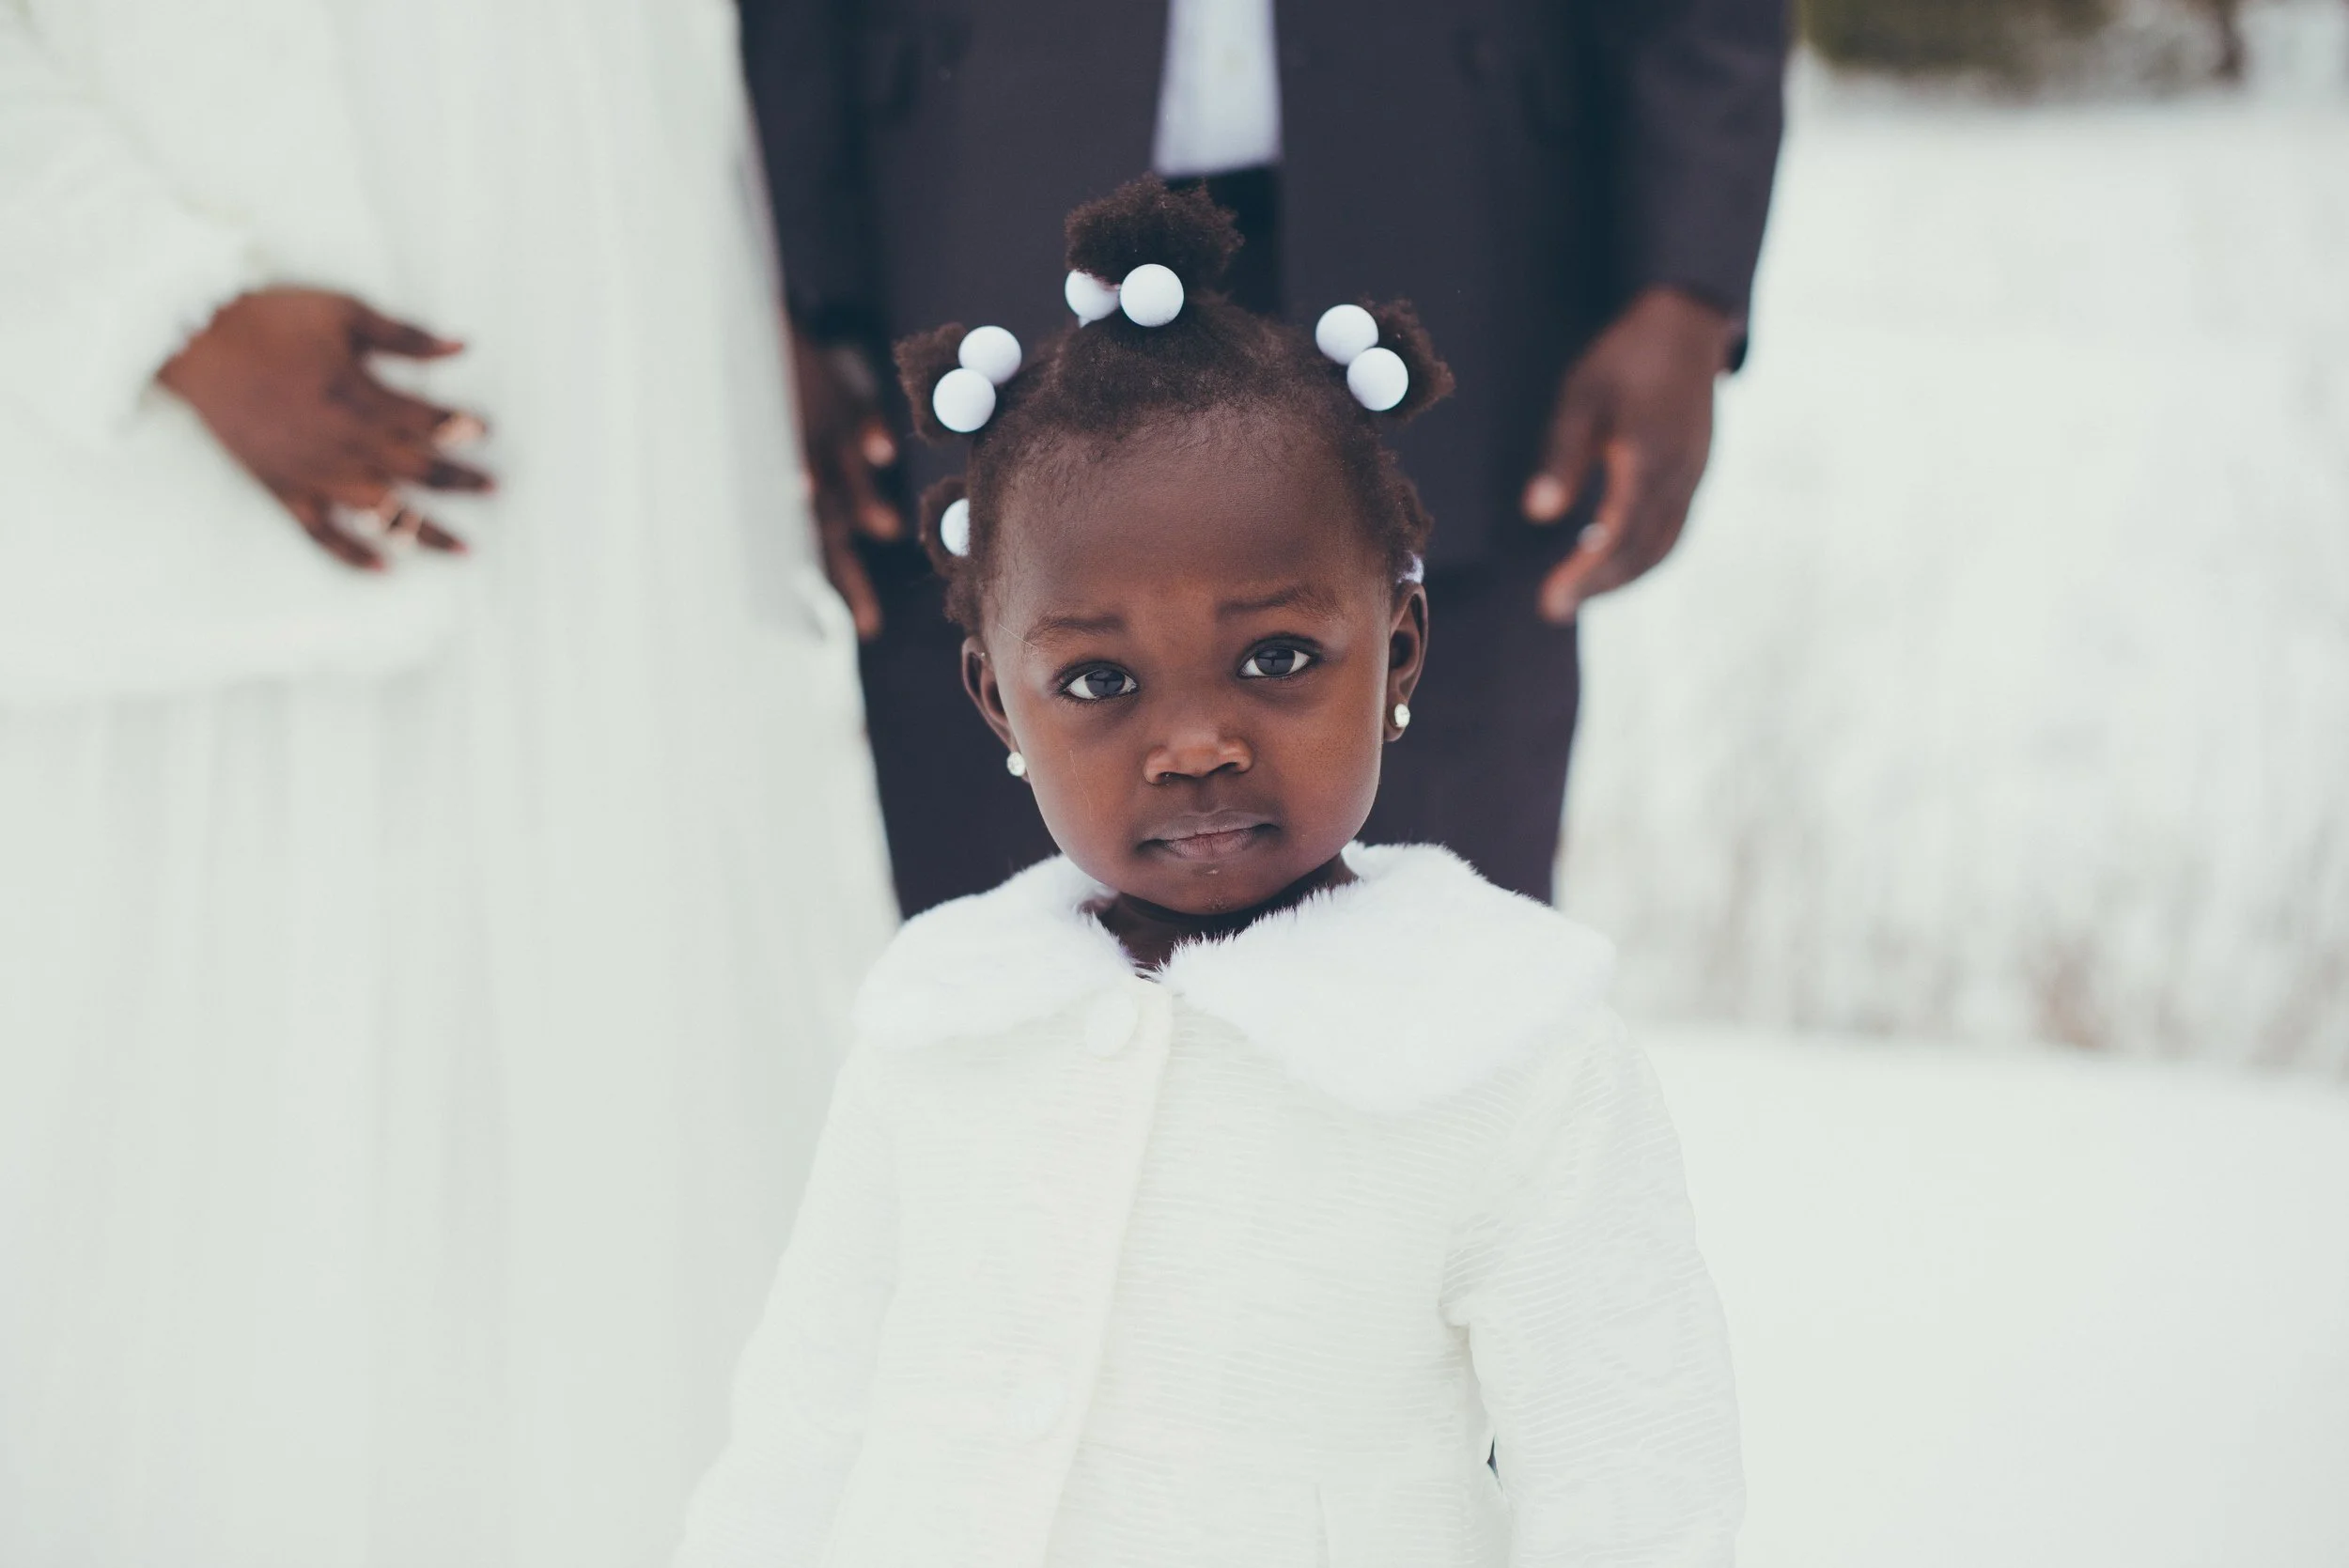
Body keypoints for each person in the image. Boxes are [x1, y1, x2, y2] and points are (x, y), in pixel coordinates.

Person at [671, 180, 1739, 1568]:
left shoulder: (1509, 1049)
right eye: (1099, 679)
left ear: (1399, 650)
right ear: (999, 702)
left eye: (1279, 657)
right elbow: (803, 1433)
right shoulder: (939, 1019)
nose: (1194, 741)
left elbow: (1630, 1482)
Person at [0, 2, 894, 1564]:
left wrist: (755, 305)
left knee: (601, 1082)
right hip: (219, 395)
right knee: (235, 1143)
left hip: (617, 402)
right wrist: (161, 306)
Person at [739, 0, 1788, 913]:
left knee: (1445, 983)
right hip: (968, 209)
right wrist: (794, 288)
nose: (1195, 747)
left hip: (1464, 230)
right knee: (1019, 1000)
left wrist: (1684, 282)